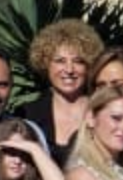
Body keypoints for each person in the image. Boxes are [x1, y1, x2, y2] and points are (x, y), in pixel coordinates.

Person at [20, 20, 105, 164]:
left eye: (78, 61)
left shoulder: (102, 111)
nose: (69, 69)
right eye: (60, 61)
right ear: (46, 64)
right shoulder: (27, 114)